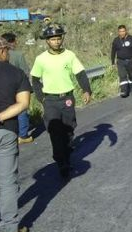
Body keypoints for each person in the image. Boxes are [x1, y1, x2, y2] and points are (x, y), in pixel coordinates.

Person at [30, 24, 92, 179]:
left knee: (68, 131)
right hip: (50, 99)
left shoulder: (69, 55)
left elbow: (80, 74)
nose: (56, 41)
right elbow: (35, 80)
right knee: (55, 131)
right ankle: (61, 162)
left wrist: (86, 90)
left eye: (58, 38)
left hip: (67, 99)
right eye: (53, 39)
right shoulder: (41, 59)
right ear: (47, 41)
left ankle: (67, 155)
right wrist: (41, 98)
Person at [0, 37, 31, 232]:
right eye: (7, 49)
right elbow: (23, 103)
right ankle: (9, 227)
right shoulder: (16, 73)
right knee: (7, 181)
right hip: (6, 130)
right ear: (2, 50)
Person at [1, 33, 32, 144]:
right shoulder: (17, 54)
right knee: (21, 110)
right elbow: (25, 70)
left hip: (4, 89)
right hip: (18, 86)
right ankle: (22, 135)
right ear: (12, 41)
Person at [110, 25, 132, 98]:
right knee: (122, 76)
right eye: (120, 31)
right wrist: (112, 62)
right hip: (120, 61)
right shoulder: (116, 41)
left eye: (123, 31)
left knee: (131, 76)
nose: (122, 33)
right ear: (118, 32)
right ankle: (124, 91)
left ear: (126, 31)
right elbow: (113, 52)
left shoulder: (131, 38)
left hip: (131, 60)